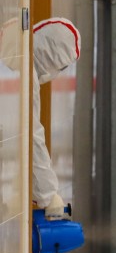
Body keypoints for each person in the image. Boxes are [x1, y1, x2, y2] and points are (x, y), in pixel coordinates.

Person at [0, 17, 81, 220]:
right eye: (60, 66)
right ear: (49, 53)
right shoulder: (23, 70)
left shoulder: (12, 53)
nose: (55, 73)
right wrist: (48, 196)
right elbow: (31, 136)